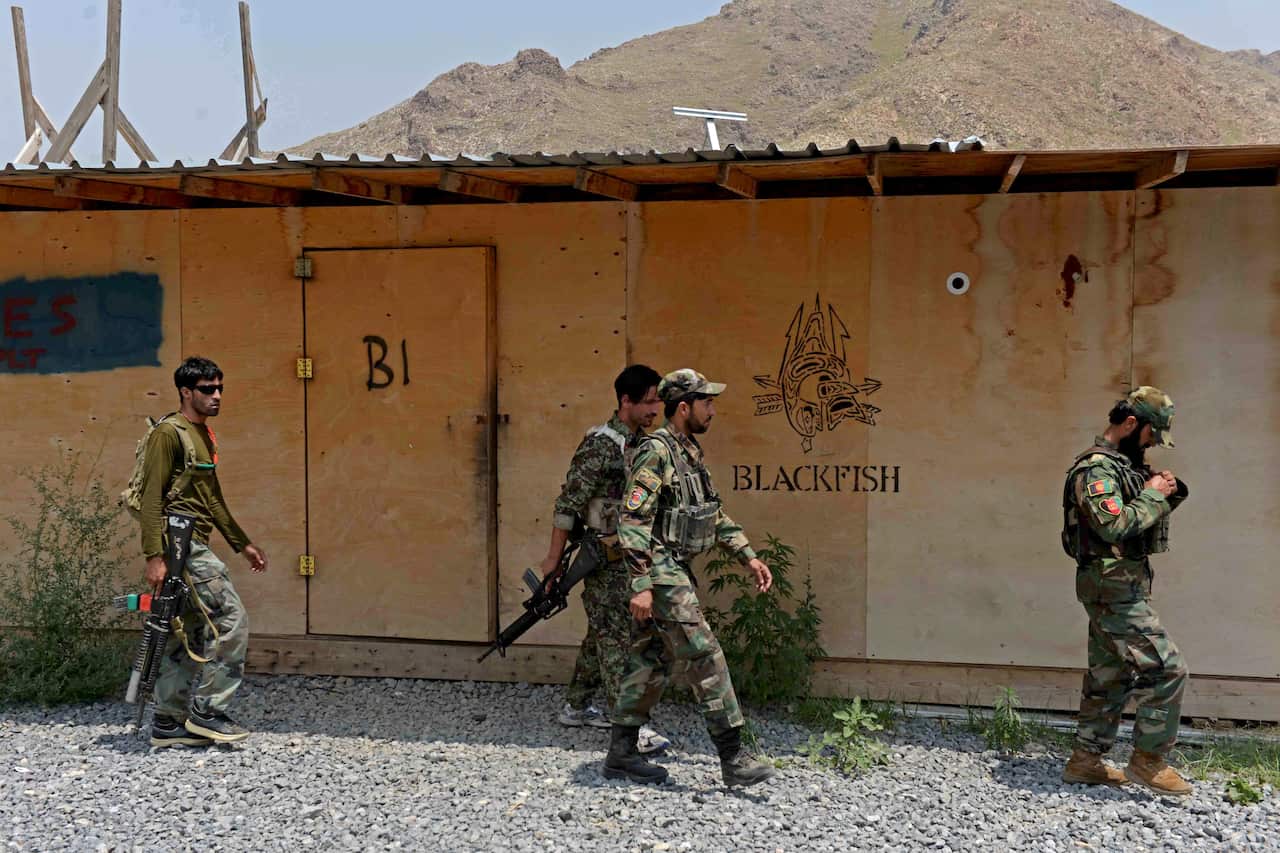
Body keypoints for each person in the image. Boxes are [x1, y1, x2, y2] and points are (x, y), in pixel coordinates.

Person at [603, 368, 778, 788]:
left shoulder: (689, 454)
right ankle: (733, 758)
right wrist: (642, 585)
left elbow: (712, 513)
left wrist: (748, 556)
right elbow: (633, 520)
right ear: (684, 407)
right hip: (660, 569)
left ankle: (621, 754)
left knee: (650, 659)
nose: (712, 411)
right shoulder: (656, 452)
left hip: (675, 567)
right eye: (707, 403)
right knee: (704, 653)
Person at [1060, 386, 1191, 796]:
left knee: (1110, 675)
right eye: (1151, 434)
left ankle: (1085, 761)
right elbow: (1113, 526)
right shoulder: (1096, 470)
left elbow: (1139, 520)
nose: (1152, 444)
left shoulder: (1122, 466)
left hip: (1118, 584)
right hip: (1111, 587)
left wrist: (1165, 491)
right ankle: (1148, 761)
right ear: (1131, 423)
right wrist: (1153, 494)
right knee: (1167, 668)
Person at [541, 364, 669, 754]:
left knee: (604, 631)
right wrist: (553, 560)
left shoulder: (643, 444)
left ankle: (577, 706)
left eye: (658, 401)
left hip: (632, 555)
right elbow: (568, 505)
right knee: (617, 636)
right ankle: (628, 726)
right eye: (648, 401)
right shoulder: (601, 445)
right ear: (625, 401)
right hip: (605, 557)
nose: (655, 409)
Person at [140, 356, 267, 747]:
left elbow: (212, 498)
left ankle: (167, 721)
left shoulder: (204, 435)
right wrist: (154, 556)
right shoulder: (168, 434)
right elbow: (151, 498)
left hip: (193, 541)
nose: (217, 396)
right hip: (180, 543)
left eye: (220, 388)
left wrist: (241, 543)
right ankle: (208, 711)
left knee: (190, 632)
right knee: (232, 620)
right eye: (207, 389)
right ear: (185, 392)